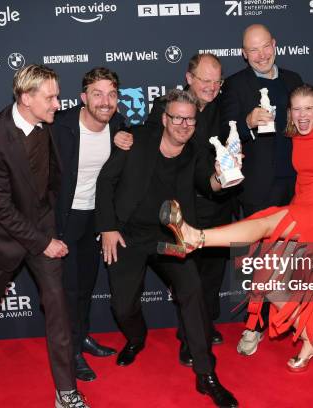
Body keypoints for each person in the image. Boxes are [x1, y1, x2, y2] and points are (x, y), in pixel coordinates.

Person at [157, 84, 313, 372]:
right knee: (270, 282)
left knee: (266, 221)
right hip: (302, 209)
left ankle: (196, 237)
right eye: (296, 109)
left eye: (308, 109)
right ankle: (311, 339)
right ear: (289, 112)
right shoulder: (295, 136)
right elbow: (304, 182)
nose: (302, 115)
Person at [0, 65, 88, 408]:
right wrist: (44, 242)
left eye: (57, 95)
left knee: (57, 306)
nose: (58, 103)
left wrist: (120, 134)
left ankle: (65, 391)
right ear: (26, 99)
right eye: (51, 97)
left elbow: (89, 120)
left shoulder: (48, 121)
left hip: (42, 224)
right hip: (3, 236)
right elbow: (1, 209)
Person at [96, 89, 238, 407]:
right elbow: (106, 181)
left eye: (190, 119)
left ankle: (206, 375)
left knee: (192, 291)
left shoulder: (197, 151)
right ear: (164, 118)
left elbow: (209, 184)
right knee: (122, 306)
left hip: (170, 239)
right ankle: (136, 338)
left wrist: (224, 176)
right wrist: (107, 227)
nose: (183, 125)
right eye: (177, 117)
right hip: (128, 237)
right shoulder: (137, 139)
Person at [143, 53, 234, 364]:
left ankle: (205, 325)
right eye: (204, 80)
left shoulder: (224, 106)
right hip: (185, 210)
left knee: (212, 275)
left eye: (216, 81)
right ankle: (189, 339)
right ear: (189, 78)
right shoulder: (166, 108)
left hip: (219, 201)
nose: (211, 87)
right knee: (188, 278)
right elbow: (150, 147)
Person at [220, 24, 304, 353]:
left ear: (275, 44)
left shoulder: (294, 80)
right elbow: (226, 136)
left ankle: (287, 317)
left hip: (297, 186)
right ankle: (253, 324)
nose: (261, 54)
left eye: (265, 46)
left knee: (288, 261)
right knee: (260, 260)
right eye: (253, 50)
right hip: (257, 189)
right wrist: (247, 123)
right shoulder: (236, 85)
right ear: (244, 54)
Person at [52, 67, 132, 382]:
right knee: (68, 289)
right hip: (64, 217)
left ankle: (82, 336)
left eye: (111, 94)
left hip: (95, 218)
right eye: (97, 94)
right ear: (84, 97)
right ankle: (70, 350)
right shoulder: (60, 124)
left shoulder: (120, 126)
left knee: (85, 285)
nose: (105, 101)